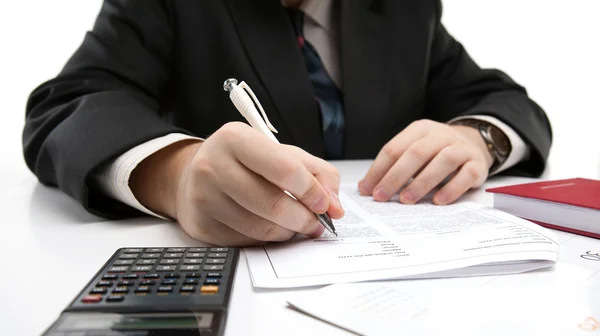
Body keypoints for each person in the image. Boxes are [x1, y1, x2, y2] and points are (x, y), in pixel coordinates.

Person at [22, 0, 552, 246]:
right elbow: (69, 103)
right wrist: (175, 174)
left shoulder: (403, 10)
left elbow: (500, 99)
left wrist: (475, 137)